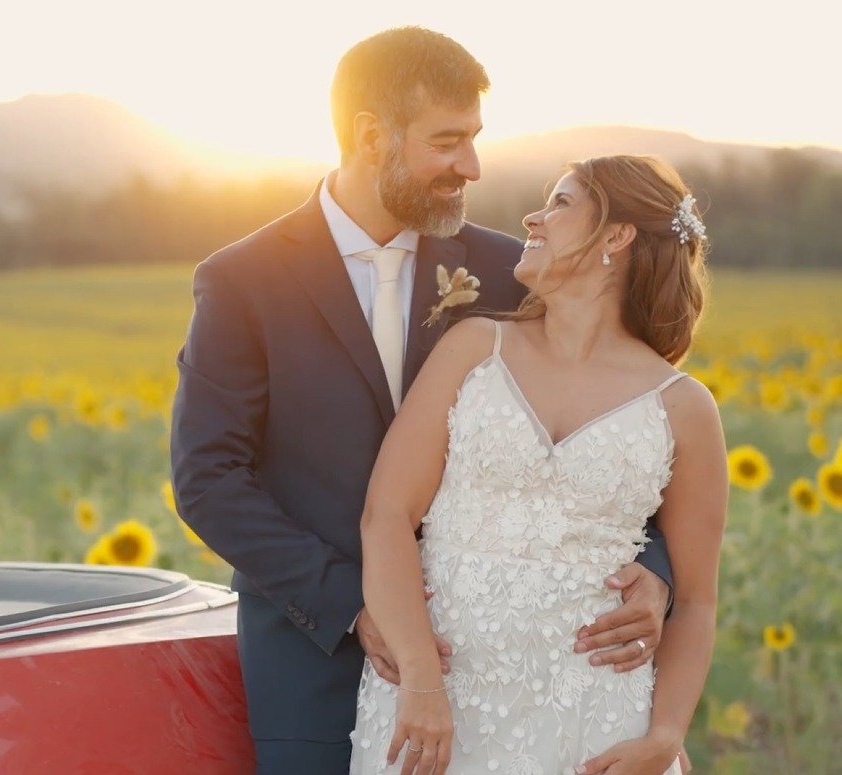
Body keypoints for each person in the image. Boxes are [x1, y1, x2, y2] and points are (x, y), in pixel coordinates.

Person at [170, 27, 677, 774]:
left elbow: (631, 417)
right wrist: (354, 604)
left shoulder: (514, 268)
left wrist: (656, 571)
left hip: (502, 670)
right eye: (448, 141)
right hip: (314, 658)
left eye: (473, 138)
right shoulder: (242, 281)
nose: (469, 165)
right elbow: (208, 478)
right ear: (372, 136)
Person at [348, 155, 726, 774]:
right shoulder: (473, 348)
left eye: (561, 202)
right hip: (433, 706)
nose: (534, 217)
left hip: (595, 716)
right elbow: (385, 515)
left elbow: (698, 602)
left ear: (617, 236)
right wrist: (418, 678)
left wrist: (664, 737)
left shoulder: (683, 406)